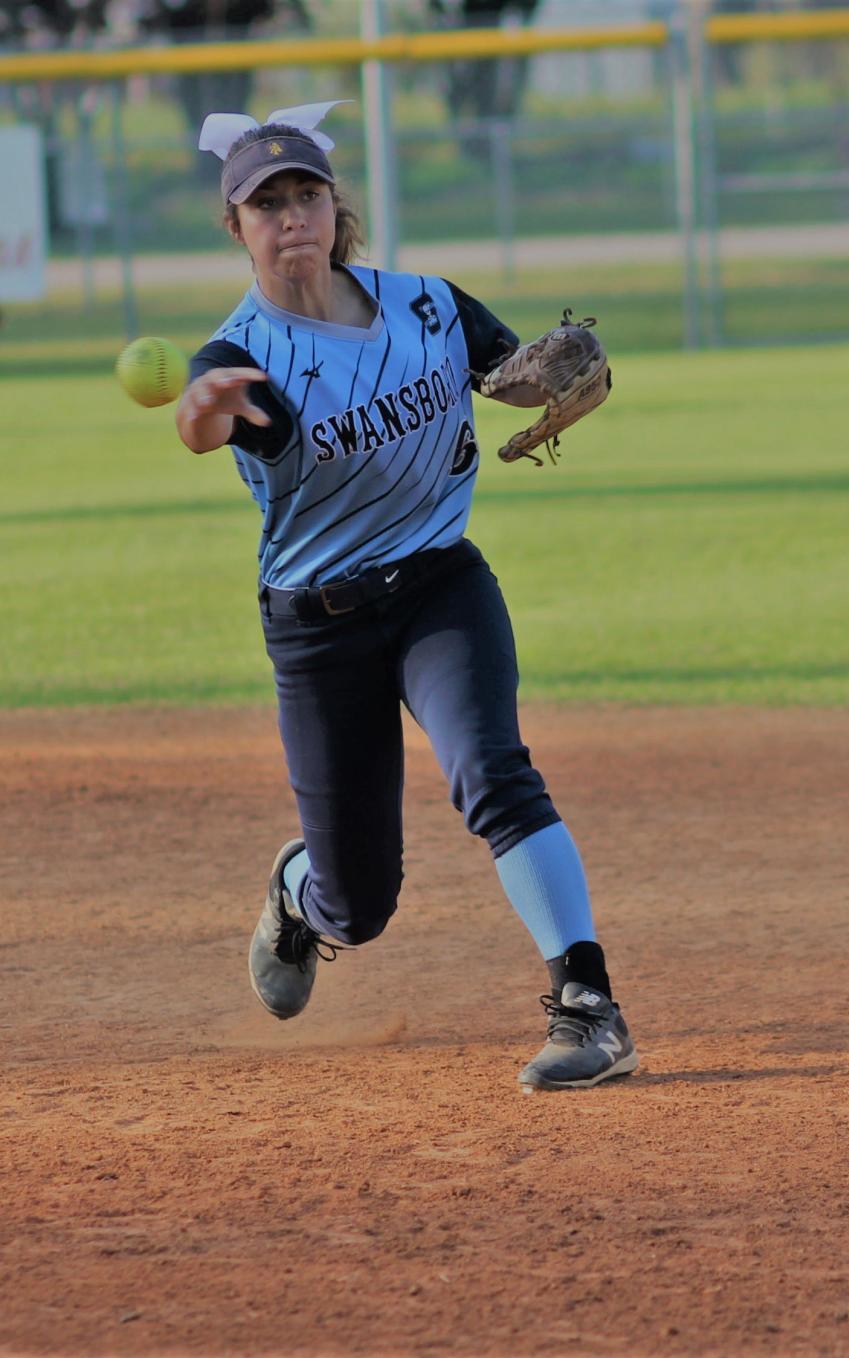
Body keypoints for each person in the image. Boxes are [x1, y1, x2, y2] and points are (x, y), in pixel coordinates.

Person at [175, 104, 637, 1092]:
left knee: (494, 770)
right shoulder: (240, 355)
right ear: (238, 228)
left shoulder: (427, 305)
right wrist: (196, 410)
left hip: (438, 584)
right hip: (318, 627)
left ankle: (589, 1004)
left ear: (335, 208)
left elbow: (505, 375)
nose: (290, 215)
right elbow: (210, 418)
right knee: (359, 901)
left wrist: (553, 368)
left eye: (305, 194)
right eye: (267, 203)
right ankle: (300, 894)